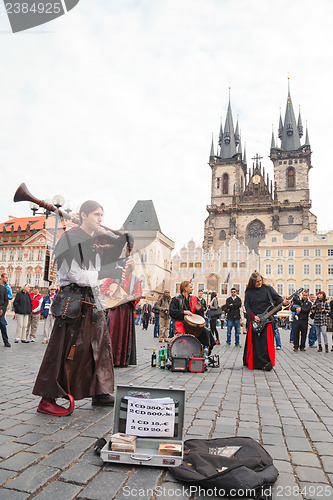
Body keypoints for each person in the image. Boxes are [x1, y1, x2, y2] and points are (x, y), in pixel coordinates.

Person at [33, 200, 130, 416]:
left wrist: (121, 247)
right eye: (96, 214)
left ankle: (100, 391)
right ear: (83, 215)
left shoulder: (94, 241)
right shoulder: (70, 239)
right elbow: (75, 275)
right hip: (73, 300)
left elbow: (95, 269)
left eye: (101, 215)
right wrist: (107, 273)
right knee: (64, 349)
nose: (100, 219)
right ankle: (47, 399)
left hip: (92, 299)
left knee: (100, 346)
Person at [100, 259, 142, 367]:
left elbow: (138, 294)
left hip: (126, 311)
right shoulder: (113, 276)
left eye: (126, 267)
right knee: (111, 332)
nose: (124, 269)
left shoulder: (136, 280)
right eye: (123, 267)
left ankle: (121, 360)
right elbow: (103, 288)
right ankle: (108, 358)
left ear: (130, 268)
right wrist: (110, 293)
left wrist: (131, 297)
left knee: (124, 333)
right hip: (114, 309)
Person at [243, 272, 289, 371]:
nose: (259, 283)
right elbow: (247, 307)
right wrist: (253, 317)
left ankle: (266, 362)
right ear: (252, 282)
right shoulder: (249, 292)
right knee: (254, 343)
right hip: (255, 319)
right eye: (257, 282)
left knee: (265, 343)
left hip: (267, 320)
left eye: (260, 280)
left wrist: (283, 302)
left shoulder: (268, 289)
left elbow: (278, 299)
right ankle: (254, 363)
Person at [169, 280, 215, 353]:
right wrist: (183, 312)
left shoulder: (192, 299)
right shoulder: (176, 299)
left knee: (207, 332)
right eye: (190, 287)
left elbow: (196, 315)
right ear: (185, 288)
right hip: (181, 323)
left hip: (191, 325)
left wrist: (198, 310)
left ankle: (204, 352)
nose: (192, 288)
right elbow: (171, 312)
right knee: (184, 337)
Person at [0, 280, 10, 347]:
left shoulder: (3, 288)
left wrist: (2, 309)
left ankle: (6, 341)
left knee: (3, 325)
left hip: (0, 310)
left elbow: (6, 300)